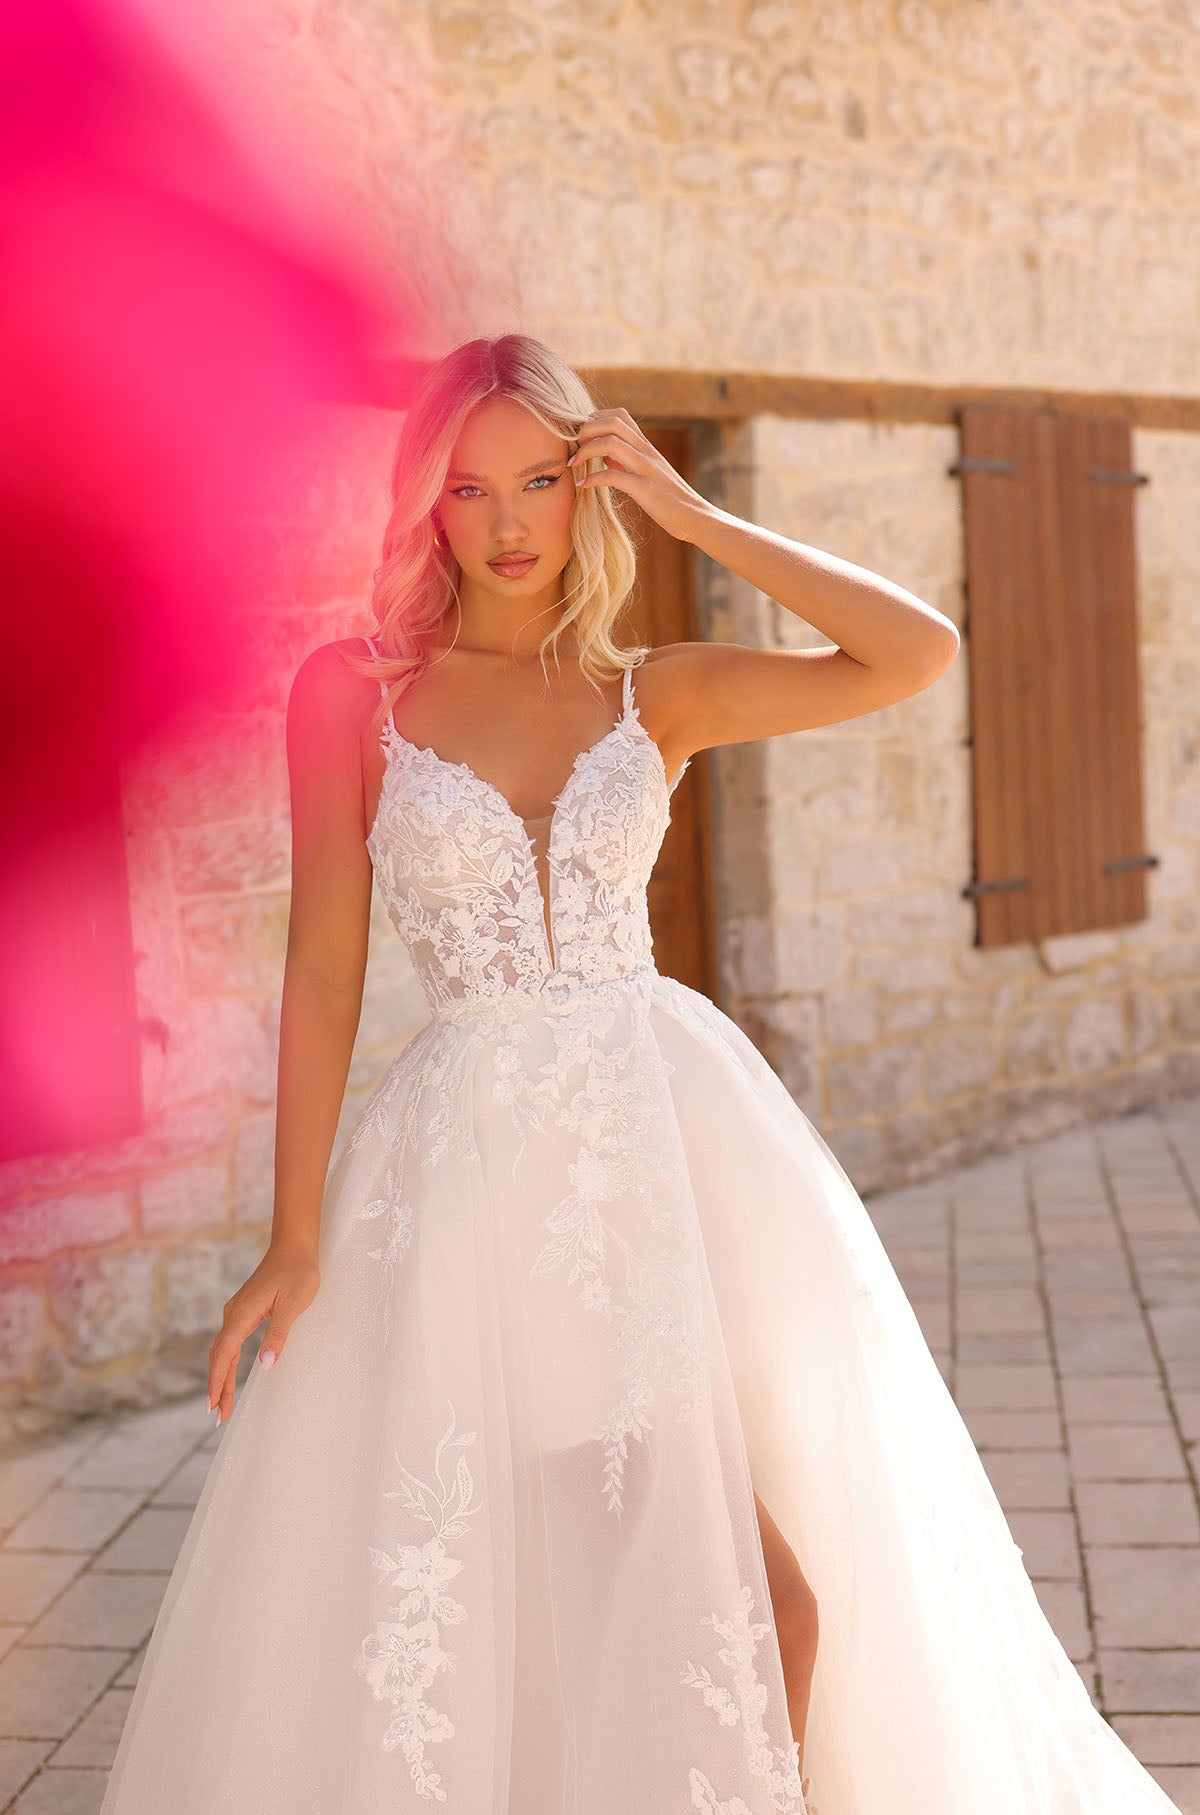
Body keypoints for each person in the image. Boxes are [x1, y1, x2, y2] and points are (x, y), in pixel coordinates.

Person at [99, 335, 1182, 1814]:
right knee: (534, 1598)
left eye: (540, 478)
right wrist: (293, 1237)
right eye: (469, 489)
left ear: (586, 482)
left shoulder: (647, 692)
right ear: (426, 506)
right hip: (475, 1185)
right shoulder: (354, 695)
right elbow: (326, 970)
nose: (508, 521)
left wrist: (691, 514)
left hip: (662, 1163)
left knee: (764, 1606)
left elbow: (913, 651)